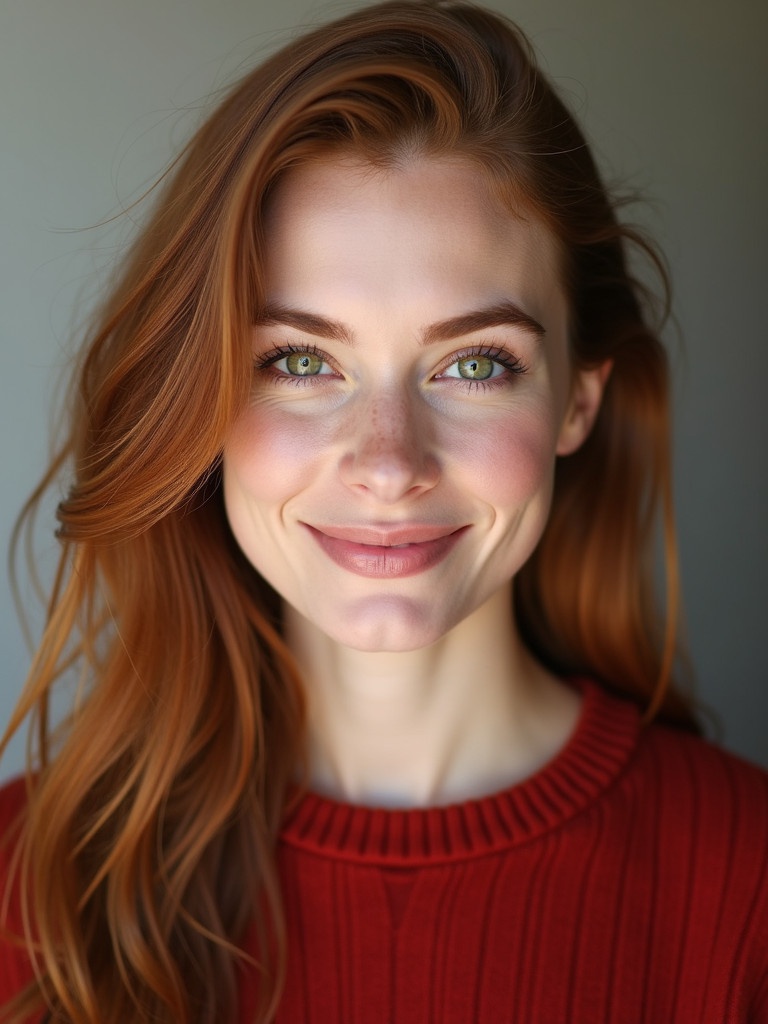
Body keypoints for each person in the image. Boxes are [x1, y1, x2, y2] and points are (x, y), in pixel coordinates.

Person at [1, 1, 766, 1021]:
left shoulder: (746, 880)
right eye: (301, 361)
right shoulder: (23, 884)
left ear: (576, 402)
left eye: (475, 363)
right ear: (203, 401)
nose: (390, 461)